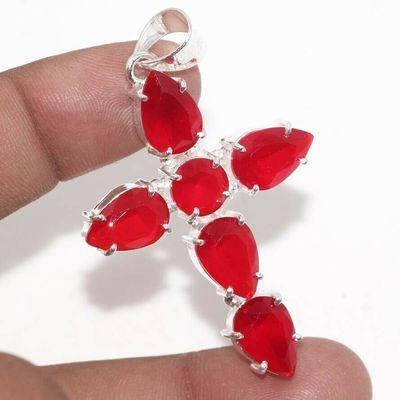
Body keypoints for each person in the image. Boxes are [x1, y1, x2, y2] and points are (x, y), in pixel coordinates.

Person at [0, 40, 372, 399]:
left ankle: (274, 351)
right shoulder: (187, 196)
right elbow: (106, 228)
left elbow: (290, 145)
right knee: (243, 294)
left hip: (217, 231)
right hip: (214, 230)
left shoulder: (207, 201)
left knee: (244, 294)